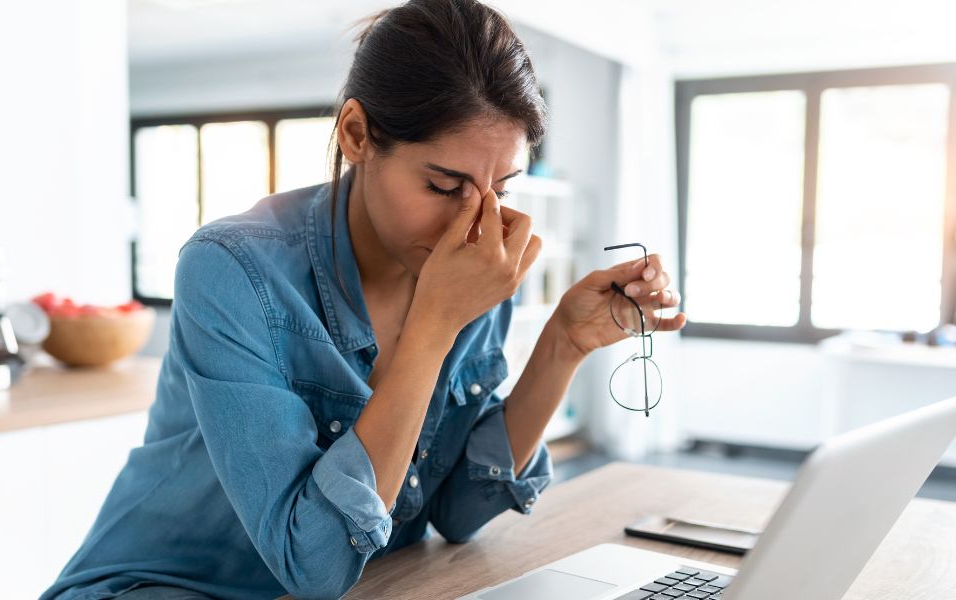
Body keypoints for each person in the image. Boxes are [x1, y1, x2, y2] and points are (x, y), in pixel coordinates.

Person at [40, 1, 685, 599]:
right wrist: (434, 324)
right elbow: (312, 563)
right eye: (443, 184)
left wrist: (562, 345)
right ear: (355, 133)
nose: (477, 226)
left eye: (502, 188)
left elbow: (458, 512)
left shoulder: (471, 267)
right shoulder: (232, 269)